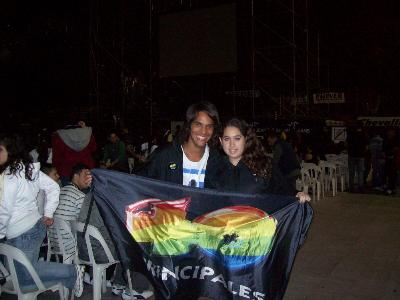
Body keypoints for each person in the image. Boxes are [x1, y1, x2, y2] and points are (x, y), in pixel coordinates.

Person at [0, 134, 84, 297]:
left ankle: (71, 271)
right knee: (21, 277)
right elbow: (53, 187)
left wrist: (48, 212)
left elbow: (4, 210)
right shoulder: (26, 169)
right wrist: (47, 213)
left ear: (10, 151)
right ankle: (63, 279)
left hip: (23, 232)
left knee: (23, 278)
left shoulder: (12, 175)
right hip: (31, 228)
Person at [216, 118, 310, 202]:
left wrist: (297, 194)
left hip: (259, 220)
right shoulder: (215, 168)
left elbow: (283, 188)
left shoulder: (263, 164)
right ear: (221, 141)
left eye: (237, 138)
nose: (232, 144)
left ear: (246, 139)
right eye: (227, 139)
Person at [140, 101, 221, 188]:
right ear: (189, 125)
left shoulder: (217, 161)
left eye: (209, 126)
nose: (204, 131)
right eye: (198, 124)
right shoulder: (165, 155)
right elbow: (139, 184)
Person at [49, 163, 92, 261]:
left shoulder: (60, 191)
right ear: (76, 176)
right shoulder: (80, 196)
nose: (89, 178)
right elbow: (87, 224)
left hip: (54, 243)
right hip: (70, 246)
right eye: (86, 175)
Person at [52, 121, 97, 186]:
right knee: (87, 193)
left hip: (67, 171)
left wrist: (56, 170)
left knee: (69, 194)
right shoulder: (87, 133)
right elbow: (93, 148)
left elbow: (57, 157)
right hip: (86, 168)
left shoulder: (59, 136)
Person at [266, 130, 301, 195]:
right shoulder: (285, 143)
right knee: (291, 189)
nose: (268, 142)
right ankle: (293, 202)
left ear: (274, 138)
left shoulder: (278, 145)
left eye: (269, 140)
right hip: (295, 169)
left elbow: (275, 161)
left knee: (288, 190)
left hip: (289, 171)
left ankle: (291, 203)